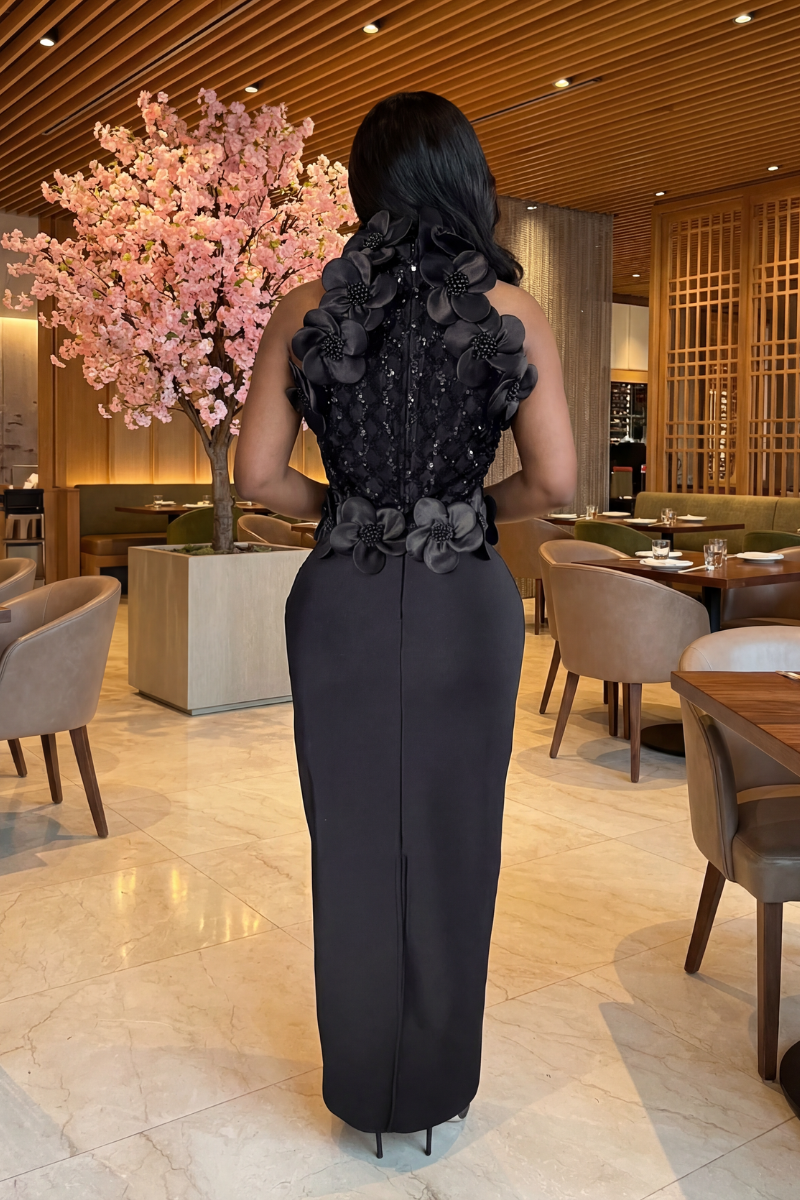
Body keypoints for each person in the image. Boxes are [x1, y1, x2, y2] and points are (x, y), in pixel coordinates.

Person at [235, 91, 576, 1157]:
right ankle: (433, 1088)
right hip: (461, 600)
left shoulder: (302, 306)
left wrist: (343, 511)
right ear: (465, 183)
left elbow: (256, 479)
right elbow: (557, 482)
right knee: (454, 840)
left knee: (350, 842)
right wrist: (468, 512)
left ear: (361, 188)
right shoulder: (511, 311)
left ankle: (360, 1087)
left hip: (339, 594)